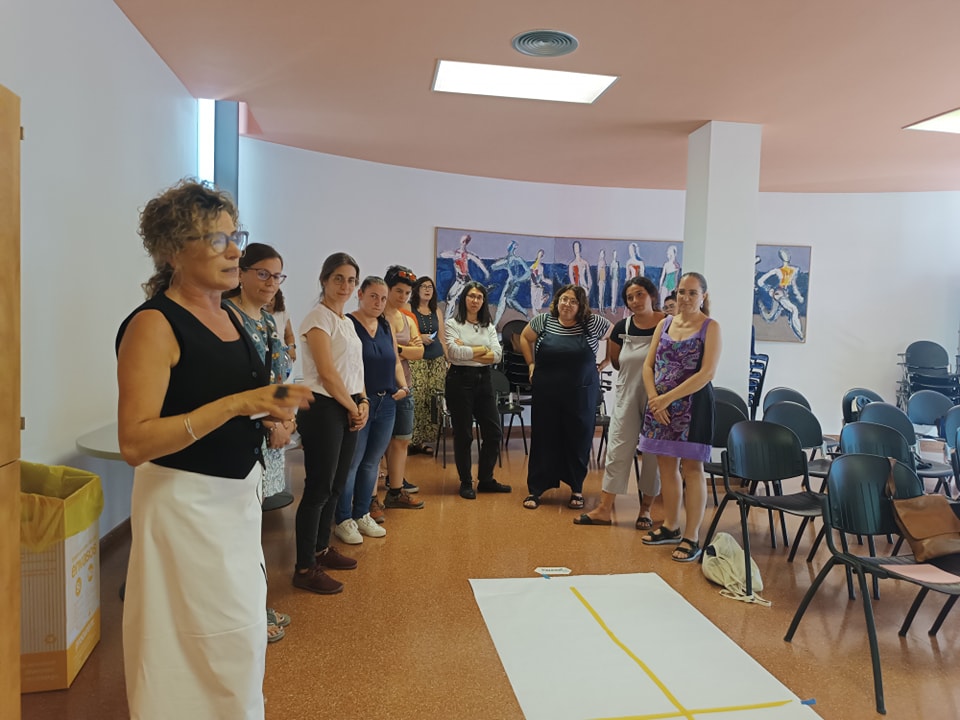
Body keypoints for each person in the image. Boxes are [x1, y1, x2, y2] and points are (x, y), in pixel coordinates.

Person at [116, 180, 312, 719]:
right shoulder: (153, 325)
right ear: (174, 251)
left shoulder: (230, 316)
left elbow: (230, 394)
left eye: (235, 237)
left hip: (235, 500)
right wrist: (239, 404)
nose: (234, 252)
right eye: (216, 239)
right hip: (182, 505)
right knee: (188, 640)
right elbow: (135, 441)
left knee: (238, 638)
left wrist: (273, 408)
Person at [223, 242, 295, 644]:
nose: (271, 282)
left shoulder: (267, 320)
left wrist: (286, 419)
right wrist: (271, 422)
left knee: (255, 526)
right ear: (242, 273)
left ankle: (255, 604)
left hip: (271, 435)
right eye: (263, 273)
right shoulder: (226, 317)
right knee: (236, 532)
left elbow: (278, 378)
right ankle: (243, 613)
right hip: (243, 433)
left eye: (277, 275)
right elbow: (233, 387)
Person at [294, 252, 368, 595]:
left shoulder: (347, 322)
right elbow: (326, 373)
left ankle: (321, 549)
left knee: (336, 485)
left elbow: (355, 370)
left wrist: (363, 401)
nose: (345, 286)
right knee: (318, 488)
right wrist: (352, 406)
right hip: (323, 408)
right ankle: (304, 567)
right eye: (339, 278)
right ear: (324, 280)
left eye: (351, 280)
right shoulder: (317, 318)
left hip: (347, 404)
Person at [638, 272, 721, 563]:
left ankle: (691, 536)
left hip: (693, 407)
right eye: (682, 292)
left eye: (692, 293)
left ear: (703, 296)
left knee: (692, 469)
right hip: (659, 407)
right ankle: (671, 526)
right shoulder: (664, 324)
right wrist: (654, 399)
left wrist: (667, 399)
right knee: (666, 467)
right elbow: (648, 366)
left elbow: (707, 373)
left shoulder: (710, 327)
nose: (685, 298)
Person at [574, 277, 664, 528]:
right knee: (617, 449)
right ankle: (604, 509)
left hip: (659, 398)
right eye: (630, 297)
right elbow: (615, 362)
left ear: (652, 295)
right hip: (628, 393)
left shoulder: (668, 324)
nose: (635, 301)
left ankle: (646, 510)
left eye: (640, 294)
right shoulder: (622, 327)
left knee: (654, 455)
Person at [519, 284, 612, 509]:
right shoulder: (544, 321)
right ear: (557, 301)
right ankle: (536, 489)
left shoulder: (591, 322)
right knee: (544, 437)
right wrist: (530, 364)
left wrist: (608, 360)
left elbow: (615, 334)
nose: (567, 304)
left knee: (578, 438)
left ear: (581, 305)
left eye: (573, 301)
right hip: (547, 392)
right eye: (563, 299)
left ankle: (576, 489)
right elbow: (524, 337)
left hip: (581, 393)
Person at [333, 277, 407, 544]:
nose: (379, 302)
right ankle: (343, 519)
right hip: (359, 403)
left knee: (372, 462)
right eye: (373, 296)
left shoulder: (385, 325)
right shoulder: (348, 324)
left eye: (383, 298)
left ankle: (362, 513)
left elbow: (395, 361)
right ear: (360, 294)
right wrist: (360, 400)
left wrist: (403, 386)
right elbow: (349, 367)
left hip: (387, 403)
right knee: (352, 462)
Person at [444, 281, 511, 499]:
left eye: (479, 297)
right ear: (464, 298)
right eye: (471, 296)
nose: (475, 300)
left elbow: (497, 355)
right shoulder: (452, 324)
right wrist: (483, 349)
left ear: (483, 301)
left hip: (484, 380)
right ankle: (466, 482)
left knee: (494, 433)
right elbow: (454, 353)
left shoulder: (488, 326)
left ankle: (486, 479)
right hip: (459, 380)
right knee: (464, 434)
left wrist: (469, 350)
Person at [381, 265, 425, 508]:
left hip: (405, 386)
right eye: (398, 291)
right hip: (379, 388)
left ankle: (396, 489)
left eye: (407, 293)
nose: (403, 297)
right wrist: (405, 351)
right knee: (377, 444)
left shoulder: (407, 318)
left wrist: (396, 349)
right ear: (387, 289)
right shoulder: (375, 316)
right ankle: (369, 498)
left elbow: (419, 352)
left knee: (402, 439)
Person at [408, 275, 446, 455]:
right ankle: (410, 440)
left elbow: (442, 338)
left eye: (430, 286)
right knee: (417, 398)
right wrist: (419, 337)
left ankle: (424, 440)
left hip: (437, 360)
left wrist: (448, 360)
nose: (427, 289)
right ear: (416, 290)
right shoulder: (408, 308)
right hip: (417, 360)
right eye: (423, 286)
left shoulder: (436, 310)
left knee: (433, 399)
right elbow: (402, 333)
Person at [756, 247, 805, 340]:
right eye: (784, 254)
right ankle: (800, 335)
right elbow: (760, 281)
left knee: (770, 317)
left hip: (784, 294)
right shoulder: (777, 271)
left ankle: (761, 305)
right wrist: (769, 289)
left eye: (787, 254)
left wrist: (798, 295)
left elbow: (794, 284)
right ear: (781, 257)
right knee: (794, 309)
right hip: (779, 294)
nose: (787, 256)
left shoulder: (795, 270)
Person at [441, 234, 490, 319]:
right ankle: (448, 319)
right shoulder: (457, 253)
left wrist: (486, 272)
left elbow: (478, 261)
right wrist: (454, 255)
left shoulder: (466, 255)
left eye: (464, 240)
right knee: (452, 298)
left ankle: (448, 319)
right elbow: (443, 254)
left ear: (464, 242)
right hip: (461, 279)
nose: (463, 242)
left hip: (463, 280)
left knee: (453, 298)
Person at [490, 239, 531, 324]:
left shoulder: (516, 259)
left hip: (514, 282)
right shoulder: (508, 260)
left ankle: (524, 312)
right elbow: (494, 267)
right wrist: (501, 263)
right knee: (507, 300)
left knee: (506, 300)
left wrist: (519, 279)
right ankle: (524, 312)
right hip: (511, 282)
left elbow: (528, 272)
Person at [267, 290, 297, 364]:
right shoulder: (256, 314)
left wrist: (291, 347)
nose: (268, 303)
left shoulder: (282, 314)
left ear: (276, 299)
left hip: (282, 357)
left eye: (271, 299)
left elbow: (289, 335)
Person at [528, 248, 552, 316]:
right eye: (539, 254)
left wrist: (548, 281)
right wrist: (536, 283)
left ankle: (544, 298)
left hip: (539, 288)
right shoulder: (533, 266)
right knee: (534, 304)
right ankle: (543, 299)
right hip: (534, 287)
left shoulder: (541, 267)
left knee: (537, 305)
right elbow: (532, 275)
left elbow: (542, 278)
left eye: (541, 255)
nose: (540, 256)